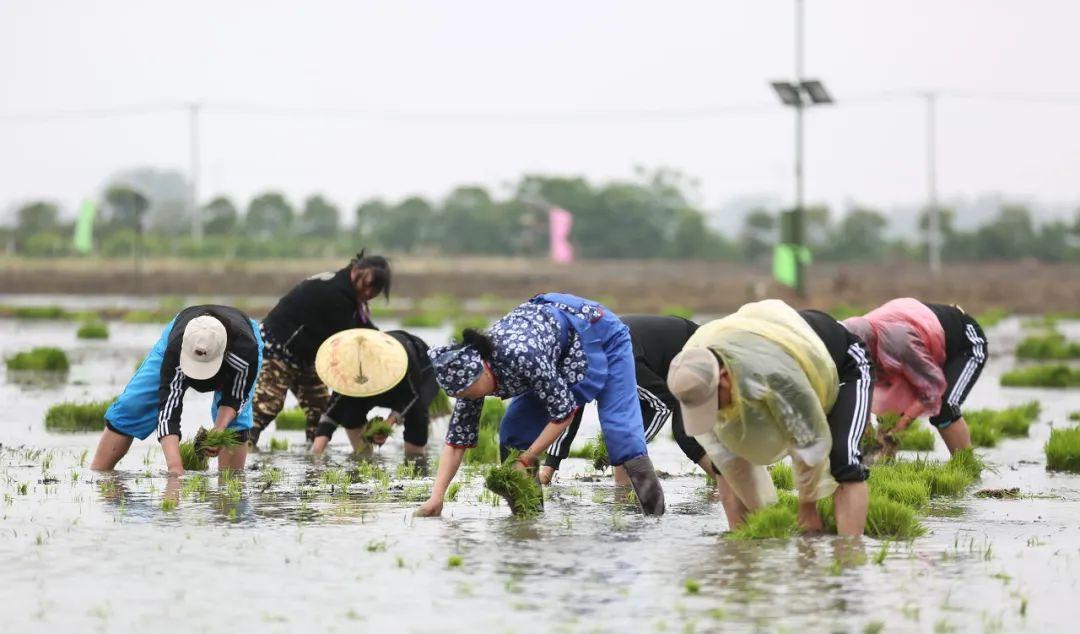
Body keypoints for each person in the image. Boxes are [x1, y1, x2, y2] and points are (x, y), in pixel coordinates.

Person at [414, 293, 666, 517]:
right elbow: (456, 442)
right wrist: (437, 497)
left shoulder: (523, 356)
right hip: (554, 349)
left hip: (599, 332)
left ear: (483, 372)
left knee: (620, 429)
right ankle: (528, 519)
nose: (467, 399)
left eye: (467, 393)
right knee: (514, 434)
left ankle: (653, 517)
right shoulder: (469, 378)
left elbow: (564, 413)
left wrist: (529, 457)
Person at [667, 300, 873, 536]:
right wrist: (760, 531)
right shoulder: (693, 372)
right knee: (724, 463)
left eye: (712, 404)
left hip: (841, 364)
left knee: (843, 459)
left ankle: (849, 560)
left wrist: (807, 506)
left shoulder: (771, 374)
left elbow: (807, 439)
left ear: (723, 378)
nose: (713, 413)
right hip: (769, 367)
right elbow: (728, 462)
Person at [539, 315, 719, 486]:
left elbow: (663, 404)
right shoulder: (578, 364)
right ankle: (623, 494)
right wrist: (549, 468)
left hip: (695, 351)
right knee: (621, 436)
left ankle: (729, 486)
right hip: (655, 362)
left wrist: (629, 447)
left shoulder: (621, 362)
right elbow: (570, 413)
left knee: (685, 433)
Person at [90, 305, 262, 474]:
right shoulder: (176, 350)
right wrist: (175, 470)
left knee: (235, 425)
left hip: (239, 346)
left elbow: (236, 396)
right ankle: (98, 478)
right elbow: (168, 411)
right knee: (134, 405)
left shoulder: (245, 351)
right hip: (179, 337)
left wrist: (219, 428)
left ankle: (230, 493)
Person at [250, 251, 391, 446]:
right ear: (356, 271)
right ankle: (242, 452)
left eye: (375, 290)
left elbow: (363, 330)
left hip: (305, 356)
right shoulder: (336, 293)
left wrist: (386, 343)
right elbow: (348, 339)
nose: (369, 293)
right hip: (277, 347)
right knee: (267, 405)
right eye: (367, 286)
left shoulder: (350, 296)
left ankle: (314, 458)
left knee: (320, 409)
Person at [843, 298, 988, 454]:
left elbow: (932, 389)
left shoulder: (898, 344)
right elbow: (855, 391)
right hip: (920, 344)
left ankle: (966, 465)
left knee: (945, 407)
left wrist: (903, 424)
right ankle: (884, 468)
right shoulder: (849, 341)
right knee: (889, 415)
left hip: (963, 342)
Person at [310, 328, 439, 455]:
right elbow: (332, 412)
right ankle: (363, 456)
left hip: (419, 372)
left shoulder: (401, 361)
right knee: (349, 412)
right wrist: (316, 452)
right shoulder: (351, 375)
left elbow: (412, 396)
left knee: (417, 417)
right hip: (378, 381)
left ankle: (416, 461)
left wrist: (388, 423)